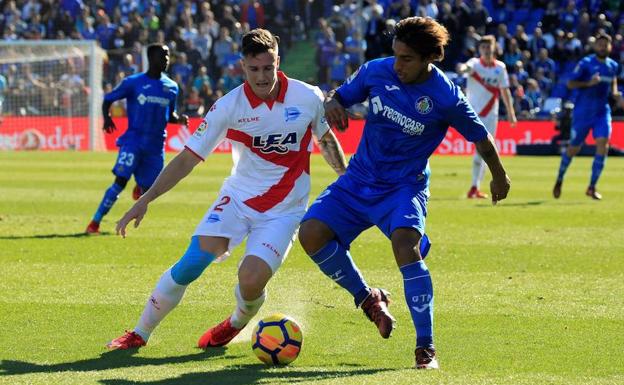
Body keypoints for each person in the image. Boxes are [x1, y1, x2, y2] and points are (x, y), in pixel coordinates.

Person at [106, 29, 346, 350]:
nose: (262, 77)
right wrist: (145, 200)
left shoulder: (307, 98)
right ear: (242, 67)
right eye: (254, 69)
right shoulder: (228, 107)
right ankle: (139, 333)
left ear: (278, 62)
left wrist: (346, 180)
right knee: (192, 262)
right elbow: (187, 159)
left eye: (268, 68)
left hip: (284, 211)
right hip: (237, 200)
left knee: (250, 281)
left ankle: (236, 321)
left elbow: (327, 141)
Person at [298, 17, 511, 370]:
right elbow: (339, 95)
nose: (398, 65)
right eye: (396, 55)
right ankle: (369, 299)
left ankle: (425, 348)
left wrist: (499, 176)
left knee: (406, 247)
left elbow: (481, 138)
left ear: (430, 58)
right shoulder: (376, 71)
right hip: (359, 179)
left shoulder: (446, 97)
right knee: (311, 234)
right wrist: (333, 101)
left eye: (407, 58)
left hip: (403, 187)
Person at [86, 44, 189, 234]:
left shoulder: (172, 87)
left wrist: (179, 119)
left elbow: (170, 114)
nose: (166, 59)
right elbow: (108, 99)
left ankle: (141, 185)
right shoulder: (133, 83)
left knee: (152, 188)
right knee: (120, 182)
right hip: (133, 141)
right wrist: (107, 118)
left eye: (168, 56)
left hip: (155, 146)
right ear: (151, 58)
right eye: (162, 56)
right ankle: (95, 222)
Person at [553, 33, 624, 200]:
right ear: (595, 46)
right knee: (574, 148)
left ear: (610, 47)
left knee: (603, 144)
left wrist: (616, 94)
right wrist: (588, 83)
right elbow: (570, 83)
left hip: (601, 111)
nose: (602, 47)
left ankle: (592, 186)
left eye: (605, 44)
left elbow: (612, 81)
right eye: (599, 44)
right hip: (583, 113)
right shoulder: (586, 63)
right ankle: (560, 178)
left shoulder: (613, 65)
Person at [456, 35, 517, 199]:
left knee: (485, 151)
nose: (486, 50)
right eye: (483, 47)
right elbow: (464, 68)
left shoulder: (500, 68)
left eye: (489, 47)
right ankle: (475, 187)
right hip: (473, 113)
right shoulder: (474, 64)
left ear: (494, 47)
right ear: (479, 49)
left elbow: (505, 91)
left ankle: (475, 187)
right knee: (480, 151)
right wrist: (462, 69)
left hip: (491, 114)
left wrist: (511, 113)